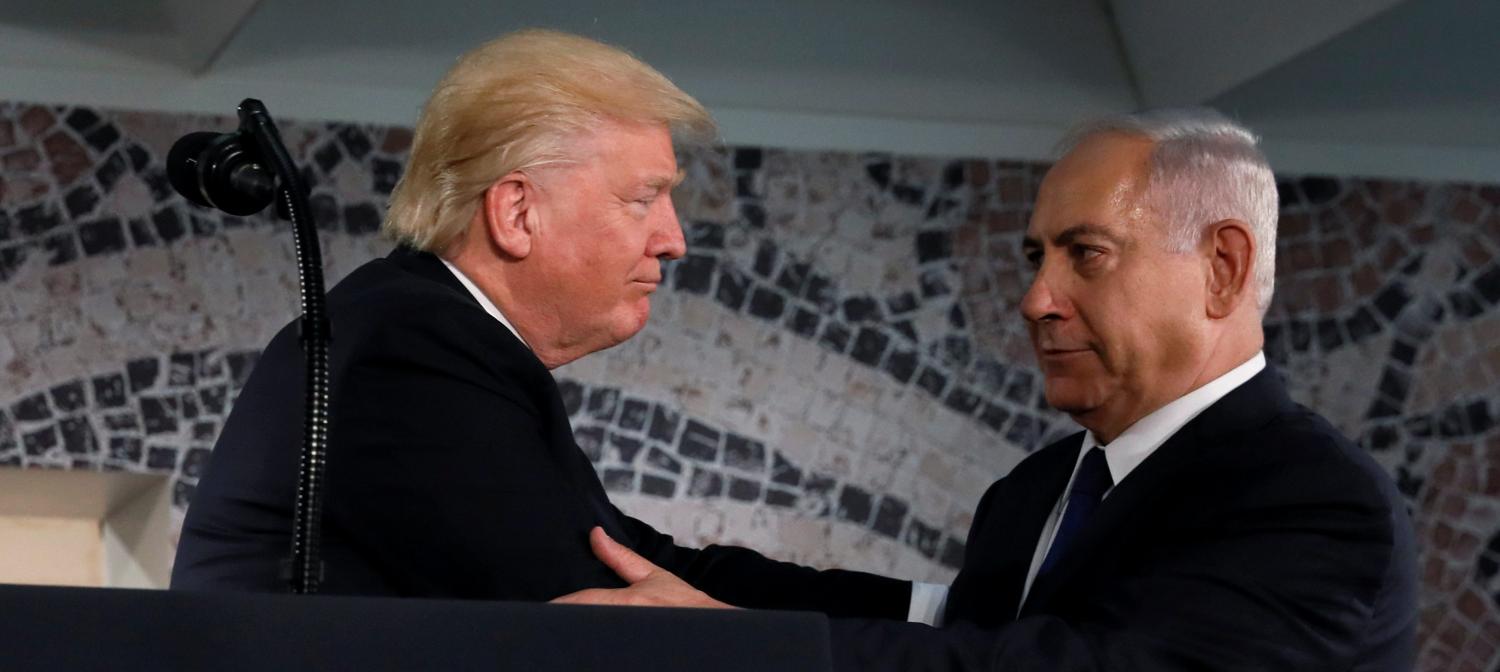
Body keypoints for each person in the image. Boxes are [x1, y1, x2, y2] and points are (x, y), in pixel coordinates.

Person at [557, 108, 1418, 671]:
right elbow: (955, 636)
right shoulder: (1035, 491)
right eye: (1034, 256)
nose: (1036, 298)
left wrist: (740, 648)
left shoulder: (1315, 500)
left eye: (1086, 253)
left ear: (1223, 269)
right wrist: (663, 571)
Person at [170, 29, 911, 619]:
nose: (674, 238)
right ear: (518, 212)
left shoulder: (429, 328)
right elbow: (600, 611)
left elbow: (644, 564)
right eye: (643, 198)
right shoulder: (410, 346)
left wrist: (928, 610)